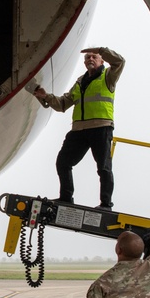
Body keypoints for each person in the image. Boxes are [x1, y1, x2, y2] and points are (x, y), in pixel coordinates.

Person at [34, 47, 125, 210]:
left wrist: (101, 50)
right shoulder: (80, 82)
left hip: (101, 127)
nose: (90, 59)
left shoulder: (108, 77)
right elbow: (62, 104)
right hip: (79, 130)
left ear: (101, 60)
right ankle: (66, 197)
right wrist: (45, 96)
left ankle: (106, 204)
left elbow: (120, 62)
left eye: (94, 57)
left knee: (103, 167)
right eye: (87, 58)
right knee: (63, 162)